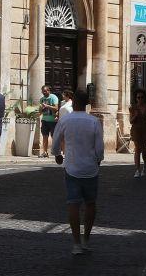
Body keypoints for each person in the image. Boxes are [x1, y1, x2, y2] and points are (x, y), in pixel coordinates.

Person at [52, 91, 104, 256]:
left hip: (72, 167)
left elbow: (55, 140)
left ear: (73, 102)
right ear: (87, 103)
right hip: (90, 168)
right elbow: (100, 148)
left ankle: (76, 243)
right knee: (90, 203)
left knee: (73, 204)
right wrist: (98, 159)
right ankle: (86, 239)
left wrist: (58, 155)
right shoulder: (94, 121)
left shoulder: (65, 119)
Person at [129, 90, 146, 178]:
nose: (140, 99)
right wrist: (135, 115)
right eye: (138, 97)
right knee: (137, 150)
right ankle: (137, 170)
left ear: (145, 98)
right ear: (136, 98)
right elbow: (131, 121)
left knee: (144, 150)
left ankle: (145, 165)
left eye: (142, 97)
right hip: (136, 130)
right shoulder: (133, 108)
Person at [39, 85, 59, 157]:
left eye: (45, 91)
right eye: (43, 91)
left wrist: (47, 106)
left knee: (54, 136)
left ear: (48, 91)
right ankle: (45, 152)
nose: (44, 92)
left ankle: (56, 151)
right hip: (44, 120)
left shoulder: (53, 97)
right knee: (45, 136)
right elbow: (40, 111)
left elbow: (56, 108)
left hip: (53, 120)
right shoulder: (41, 99)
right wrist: (40, 109)